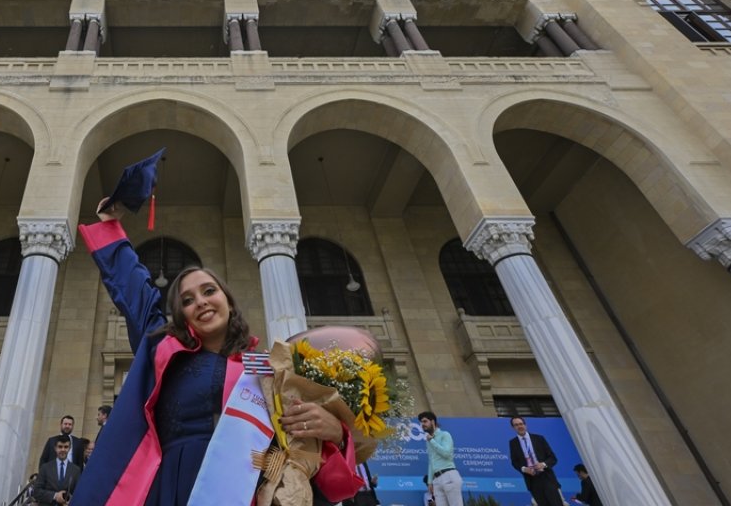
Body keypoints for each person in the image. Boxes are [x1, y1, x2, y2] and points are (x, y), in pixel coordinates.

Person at [72, 185, 363, 505]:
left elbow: (295, 449)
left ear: (228, 300)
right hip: (172, 487)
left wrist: (336, 431)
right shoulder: (166, 351)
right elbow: (134, 291)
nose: (201, 302)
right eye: (187, 299)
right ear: (181, 314)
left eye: (209, 291)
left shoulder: (265, 368)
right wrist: (109, 226)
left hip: (243, 490)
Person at [507, 416, 561, 506]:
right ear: (513, 428)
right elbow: (514, 462)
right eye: (516, 425)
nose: (519, 426)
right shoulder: (513, 443)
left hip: (546, 477)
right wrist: (524, 469)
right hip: (532, 480)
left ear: (525, 425)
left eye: (521, 424)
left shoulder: (539, 438)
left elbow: (553, 458)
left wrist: (543, 464)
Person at [418, 411, 463, 506]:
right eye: (421, 422)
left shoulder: (445, 435)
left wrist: (432, 441)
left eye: (425, 421)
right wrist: (430, 482)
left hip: (449, 475)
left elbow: (447, 454)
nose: (422, 424)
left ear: (433, 422)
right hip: (436, 480)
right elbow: (431, 461)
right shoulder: (429, 441)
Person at [34, 435, 81, 505]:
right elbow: (36, 491)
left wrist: (71, 499)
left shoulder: (76, 470)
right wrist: (55, 496)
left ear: (69, 448)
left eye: (66, 447)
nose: (63, 449)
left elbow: (79, 493)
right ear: (55, 448)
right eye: (60, 447)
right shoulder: (45, 468)